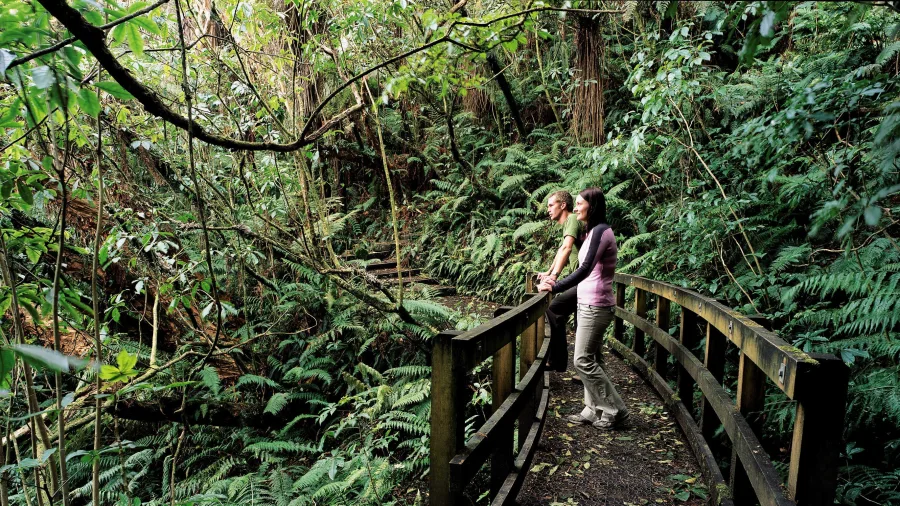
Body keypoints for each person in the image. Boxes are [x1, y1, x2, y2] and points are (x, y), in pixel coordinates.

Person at [537, 188, 629, 430]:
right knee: (588, 359)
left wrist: (555, 286)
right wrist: (552, 276)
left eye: (579, 204)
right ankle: (591, 409)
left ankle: (615, 410)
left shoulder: (601, 231)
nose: (575, 208)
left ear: (592, 206)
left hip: (596, 304)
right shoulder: (591, 232)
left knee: (582, 360)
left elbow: (585, 268)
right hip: (587, 301)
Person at [537, 191, 582, 372]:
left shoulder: (572, 219)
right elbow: (562, 249)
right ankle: (564, 363)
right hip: (581, 279)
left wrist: (554, 277)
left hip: (585, 280)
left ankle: (558, 361)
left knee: (554, 309)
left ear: (563, 205)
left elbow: (567, 248)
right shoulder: (569, 223)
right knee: (575, 320)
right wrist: (549, 272)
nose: (548, 209)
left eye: (551, 205)